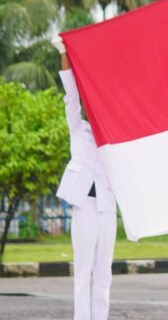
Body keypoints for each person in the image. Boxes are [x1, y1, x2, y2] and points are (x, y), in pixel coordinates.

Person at [52, 37, 118, 320]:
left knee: (104, 274)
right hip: (85, 208)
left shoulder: (113, 137)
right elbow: (71, 97)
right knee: (83, 272)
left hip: (107, 207)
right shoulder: (78, 129)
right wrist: (65, 53)